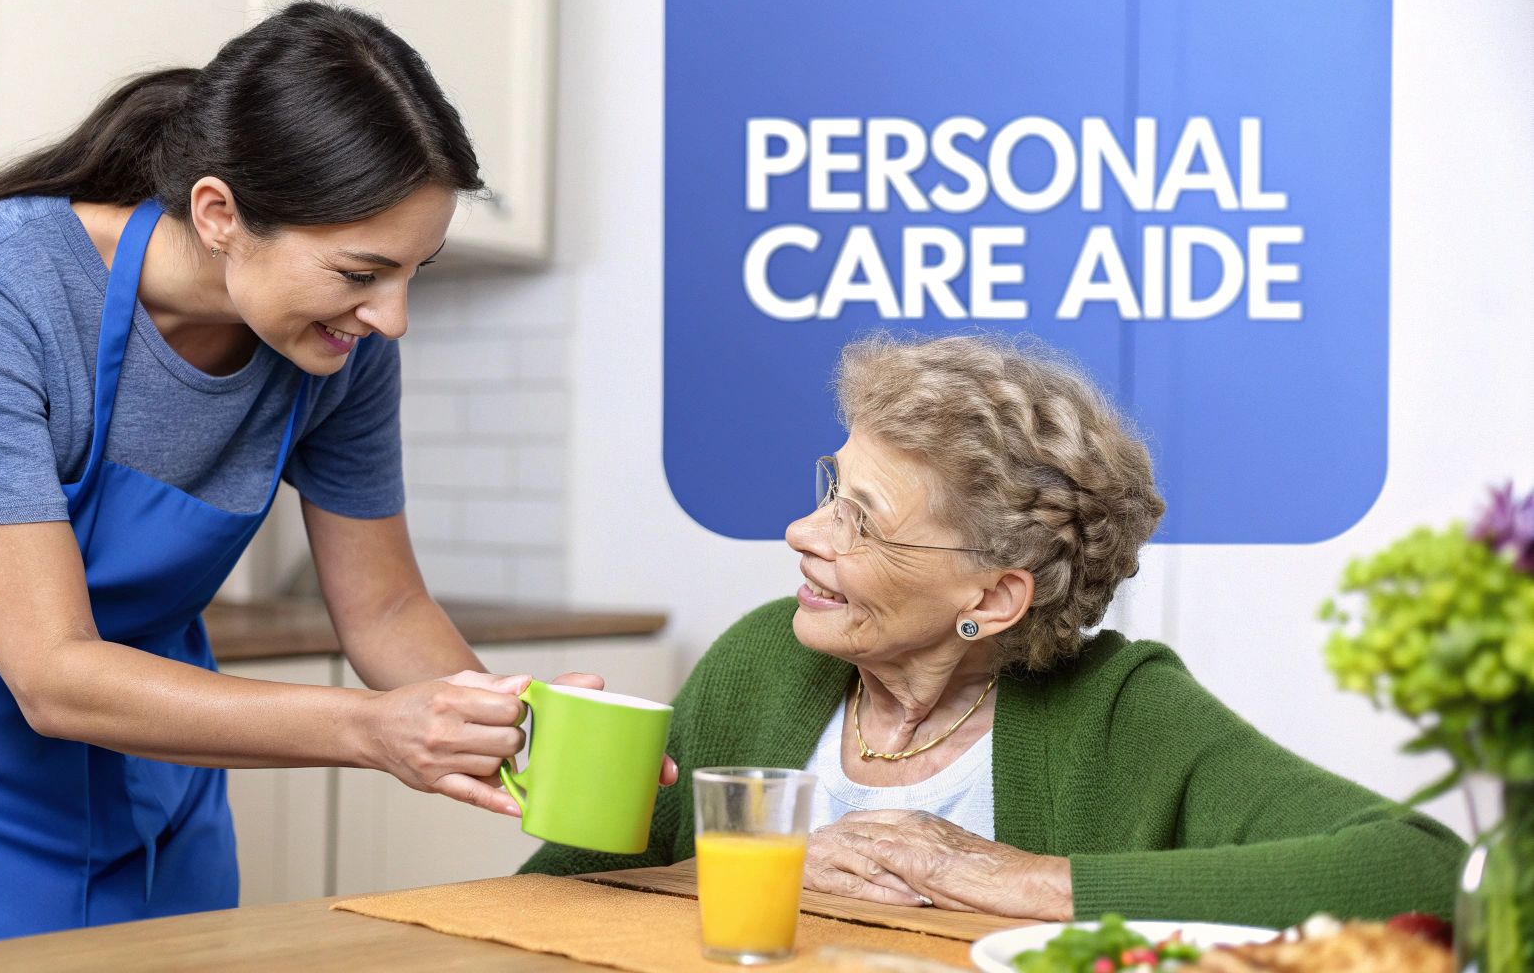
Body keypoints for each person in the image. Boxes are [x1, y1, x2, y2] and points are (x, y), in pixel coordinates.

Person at [0, 0, 670, 970]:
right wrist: (372, 728)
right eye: (362, 270)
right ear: (218, 213)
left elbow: (388, 604)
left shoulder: (338, 346)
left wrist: (509, 718)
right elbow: (52, 670)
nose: (392, 315)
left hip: (150, 745)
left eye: (415, 272)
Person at [523, 332, 1463, 929]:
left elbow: (1428, 872)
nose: (802, 534)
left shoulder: (1123, 713)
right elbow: (539, 905)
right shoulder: (762, 661)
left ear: (997, 597)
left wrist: (1036, 884)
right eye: (827, 490)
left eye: (860, 517)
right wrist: (730, 875)